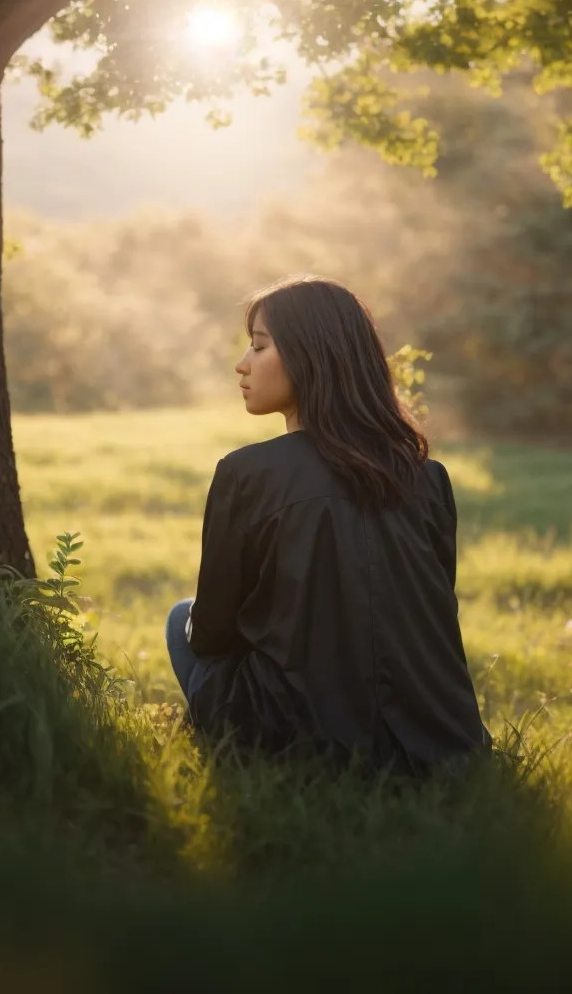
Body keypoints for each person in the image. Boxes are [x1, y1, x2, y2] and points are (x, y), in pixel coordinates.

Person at [166, 276, 487, 775]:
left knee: (179, 619)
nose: (242, 364)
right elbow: (433, 616)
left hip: (299, 743)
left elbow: (209, 633)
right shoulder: (428, 477)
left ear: (309, 355)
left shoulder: (246, 473)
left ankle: (227, 752)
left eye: (258, 346)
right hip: (438, 743)